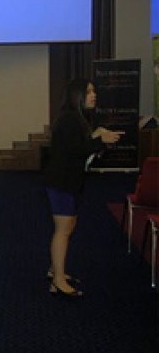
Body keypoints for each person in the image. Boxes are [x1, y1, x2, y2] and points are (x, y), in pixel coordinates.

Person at [43, 78, 123, 298]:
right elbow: (75, 150)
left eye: (94, 91)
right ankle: (58, 281)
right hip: (61, 182)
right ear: (76, 95)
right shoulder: (69, 119)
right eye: (88, 92)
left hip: (69, 182)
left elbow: (79, 144)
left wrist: (96, 134)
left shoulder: (75, 118)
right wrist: (100, 140)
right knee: (63, 229)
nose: (94, 95)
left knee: (68, 226)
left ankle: (55, 270)